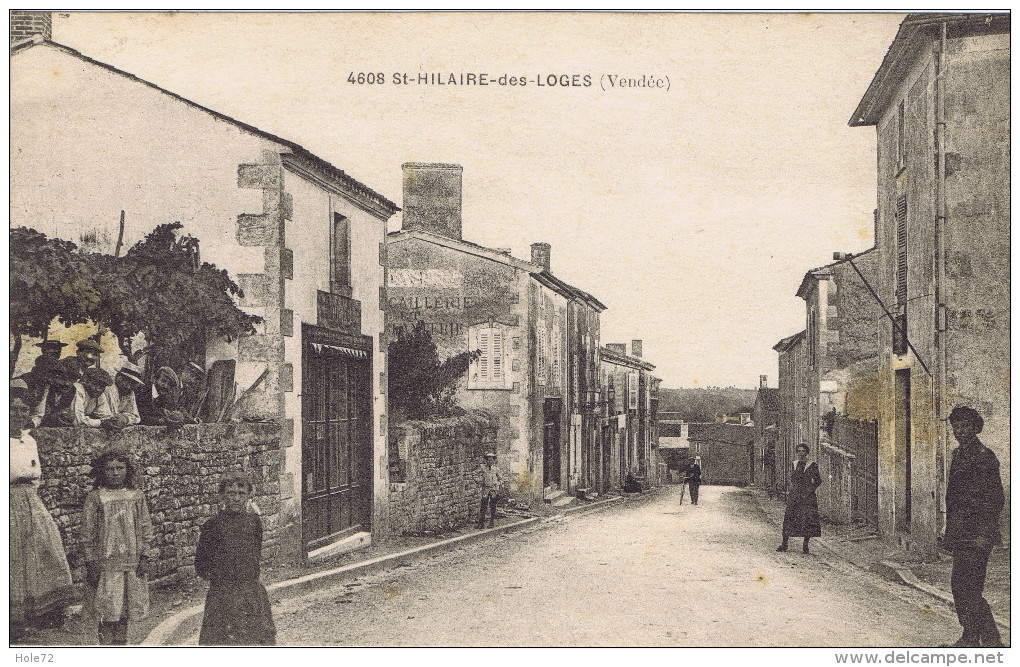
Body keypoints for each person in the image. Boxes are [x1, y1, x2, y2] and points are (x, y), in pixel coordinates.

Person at [10, 396, 76, 641]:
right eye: (12, 409)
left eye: (22, 409)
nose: (17, 414)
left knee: (44, 548)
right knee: (13, 556)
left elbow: (35, 474)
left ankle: (42, 613)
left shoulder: (28, 440)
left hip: (29, 499)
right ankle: (11, 619)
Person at [939, 406, 1004, 648]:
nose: (960, 431)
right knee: (960, 586)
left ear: (976, 427)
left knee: (970, 587)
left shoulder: (985, 457)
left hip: (978, 534)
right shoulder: (958, 455)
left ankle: (984, 639)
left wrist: (984, 534)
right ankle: (977, 637)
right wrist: (949, 529)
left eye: (965, 426)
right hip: (961, 532)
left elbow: (995, 499)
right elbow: (954, 497)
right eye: (956, 426)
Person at [195, 471, 277, 645]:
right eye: (231, 493)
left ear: (248, 495)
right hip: (222, 594)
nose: (236, 498)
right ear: (223, 495)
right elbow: (201, 564)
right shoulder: (212, 526)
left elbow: (255, 553)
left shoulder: (254, 522)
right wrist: (221, 580)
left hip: (251, 593)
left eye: (241, 494)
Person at [82, 448, 153, 645]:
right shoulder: (96, 498)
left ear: (127, 470)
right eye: (110, 468)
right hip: (105, 565)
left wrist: (145, 556)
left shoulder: (136, 496)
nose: (115, 473)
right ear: (102, 472)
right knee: (107, 612)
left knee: (124, 612)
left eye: (120, 468)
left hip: (130, 563)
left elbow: (145, 526)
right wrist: (90, 562)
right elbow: (87, 532)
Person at [777, 443, 822, 554]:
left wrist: (810, 489)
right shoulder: (794, 464)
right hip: (795, 496)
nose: (801, 453)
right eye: (799, 451)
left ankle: (805, 545)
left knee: (807, 520)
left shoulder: (812, 465)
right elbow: (792, 479)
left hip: (807, 497)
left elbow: (818, 480)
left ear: (807, 453)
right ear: (797, 453)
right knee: (789, 518)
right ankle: (784, 544)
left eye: (803, 451)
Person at [96, 363, 145, 428]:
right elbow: (103, 414)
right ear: (118, 377)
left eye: (133, 383)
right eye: (127, 381)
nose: (129, 386)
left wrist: (126, 419)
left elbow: (135, 416)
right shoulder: (106, 388)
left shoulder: (129, 392)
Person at [477, 452, 502, 529]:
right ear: (486, 461)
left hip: (493, 490)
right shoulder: (483, 468)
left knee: (493, 506)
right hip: (485, 489)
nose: (490, 462)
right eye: (488, 460)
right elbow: (474, 473)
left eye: (492, 460)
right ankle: (481, 523)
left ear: (494, 461)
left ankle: (491, 522)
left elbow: (501, 478)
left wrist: (497, 484)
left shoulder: (496, 469)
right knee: (483, 505)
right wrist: (479, 481)